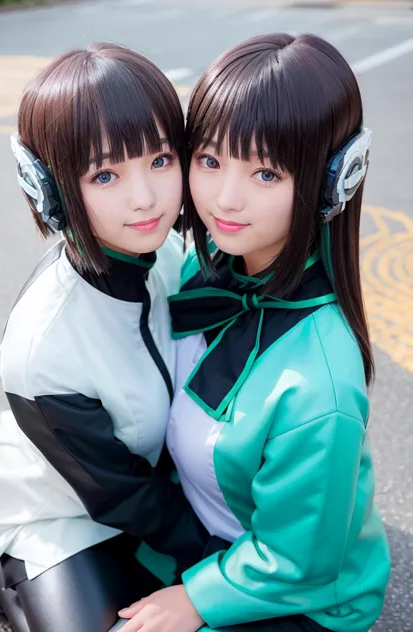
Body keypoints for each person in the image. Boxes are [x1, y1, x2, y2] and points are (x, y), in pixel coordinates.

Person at [116, 33, 391, 632]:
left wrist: (193, 598)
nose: (224, 198)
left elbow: (298, 561)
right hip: (199, 535)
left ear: (330, 183)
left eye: (266, 173)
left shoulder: (321, 386)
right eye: (210, 161)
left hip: (299, 596)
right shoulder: (206, 265)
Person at [0, 42, 209, 632]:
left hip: (145, 484)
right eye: (106, 173)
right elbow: (117, 494)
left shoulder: (168, 254)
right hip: (54, 510)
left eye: (161, 160)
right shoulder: (44, 345)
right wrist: (219, 556)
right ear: (51, 186)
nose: (144, 197)